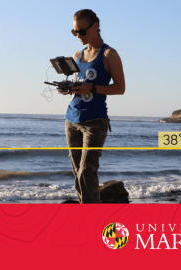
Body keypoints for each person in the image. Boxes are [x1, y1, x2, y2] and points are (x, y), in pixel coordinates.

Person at [59, 9, 125, 203]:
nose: (78, 36)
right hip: (71, 119)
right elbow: (78, 85)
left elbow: (120, 88)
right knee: (77, 172)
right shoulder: (77, 55)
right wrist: (68, 88)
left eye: (82, 31)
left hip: (95, 121)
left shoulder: (109, 54)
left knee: (87, 172)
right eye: (75, 32)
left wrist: (93, 88)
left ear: (95, 27)